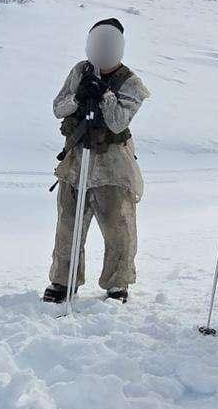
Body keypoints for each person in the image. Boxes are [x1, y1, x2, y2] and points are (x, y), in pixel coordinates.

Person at [43, 18, 149, 303]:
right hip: (76, 162)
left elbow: (117, 122)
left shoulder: (132, 83)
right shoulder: (80, 71)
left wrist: (105, 95)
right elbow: (58, 107)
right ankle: (63, 281)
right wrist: (78, 98)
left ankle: (117, 283)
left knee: (118, 227)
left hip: (113, 165)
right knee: (68, 224)